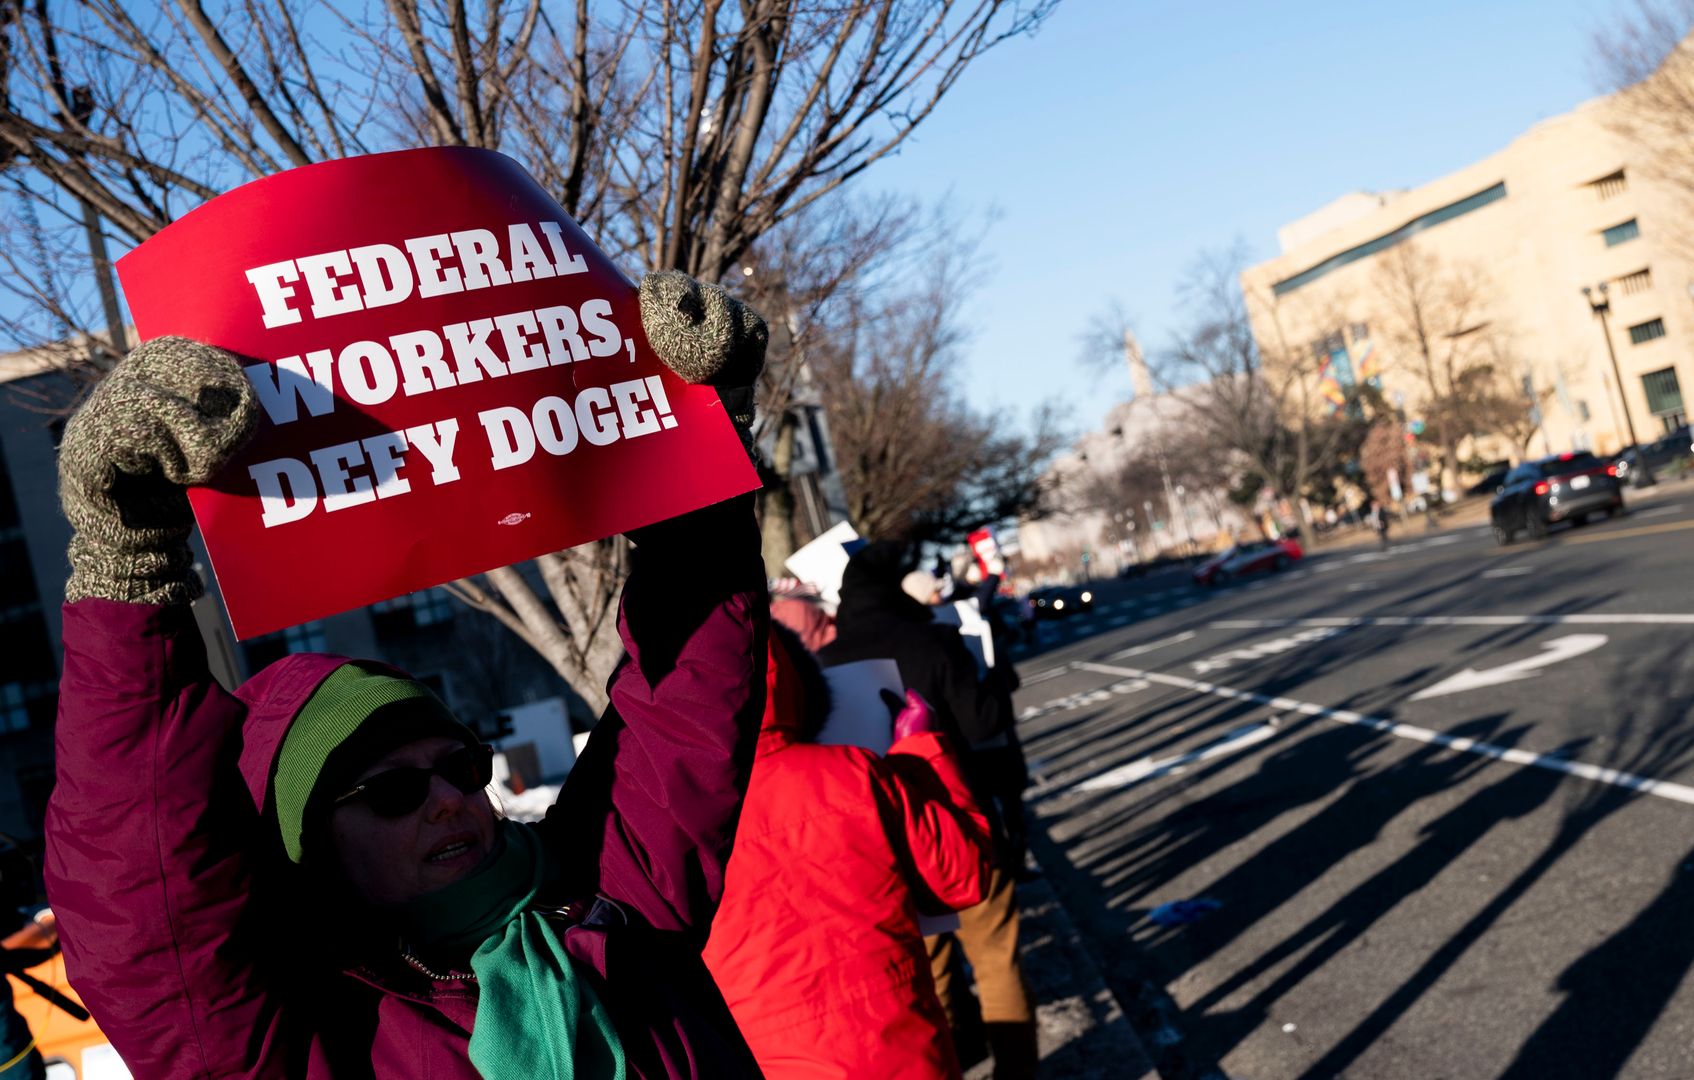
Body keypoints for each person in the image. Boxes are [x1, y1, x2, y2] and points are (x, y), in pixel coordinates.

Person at [43, 272, 772, 1079]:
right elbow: (143, 907)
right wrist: (128, 557)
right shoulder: (294, 1035)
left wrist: (699, 440)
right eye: (393, 792)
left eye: (460, 765)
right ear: (308, 844)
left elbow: (687, 706)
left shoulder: (615, 897)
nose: (450, 799)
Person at [704, 628, 991, 1078]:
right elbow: (960, 878)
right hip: (905, 1056)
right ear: (791, 681)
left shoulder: (672, 829)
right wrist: (922, 754)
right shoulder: (855, 774)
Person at [819, 543, 1036, 1080]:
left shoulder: (824, 666)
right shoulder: (933, 642)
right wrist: (997, 683)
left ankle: (954, 1061)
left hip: (883, 840)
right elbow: (984, 725)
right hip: (958, 820)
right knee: (996, 959)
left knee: (925, 973)